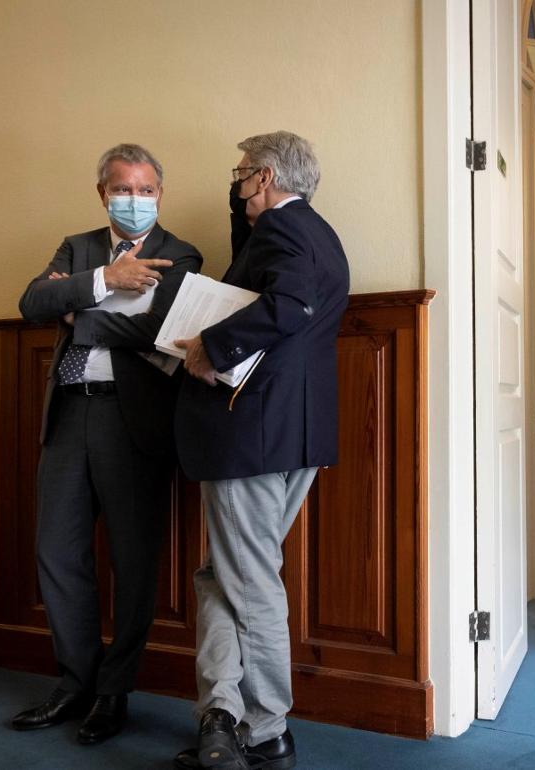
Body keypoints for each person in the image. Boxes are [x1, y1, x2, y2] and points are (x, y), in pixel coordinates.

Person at [11, 143, 202, 745]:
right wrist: (105, 280)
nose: (136, 200)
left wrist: (79, 309)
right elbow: (32, 302)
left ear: (160, 195)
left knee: (134, 561)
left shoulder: (180, 254)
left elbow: (157, 330)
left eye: (147, 190)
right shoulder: (78, 247)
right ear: (103, 193)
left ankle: (114, 692)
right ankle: (76, 682)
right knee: (58, 551)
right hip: (69, 415)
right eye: (124, 189)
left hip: (133, 422)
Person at [171, 131, 350, 770]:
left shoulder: (283, 230)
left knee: (248, 583)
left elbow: (289, 303)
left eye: (243, 173)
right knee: (226, 574)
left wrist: (208, 347)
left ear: (265, 176)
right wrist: (240, 204)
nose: (237, 180)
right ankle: (221, 716)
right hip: (291, 433)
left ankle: (268, 728)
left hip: (253, 433)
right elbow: (268, 281)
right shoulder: (312, 230)